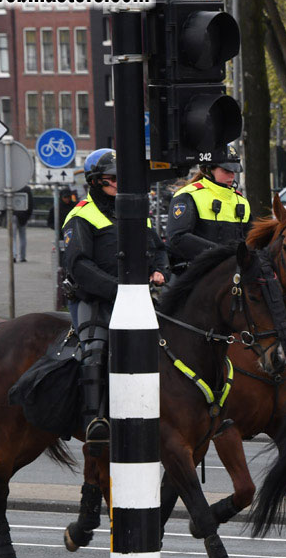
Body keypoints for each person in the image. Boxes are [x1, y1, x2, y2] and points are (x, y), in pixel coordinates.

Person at [61, 148, 168, 446]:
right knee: (95, 349)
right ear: (95, 181)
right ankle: (94, 420)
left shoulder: (135, 212)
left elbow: (158, 249)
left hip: (138, 299)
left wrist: (161, 271)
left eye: (122, 177)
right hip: (94, 300)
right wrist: (119, 290)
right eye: (112, 178)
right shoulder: (81, 215)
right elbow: (80, 266)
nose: (119, 182)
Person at [166, 145, 251, 274]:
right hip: (195, 274)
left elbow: (251, 240)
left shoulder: (241, 201)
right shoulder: (188, 195)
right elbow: (177, 239)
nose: (232, 176)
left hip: (233, 274)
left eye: (234, 171)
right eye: (226, 171)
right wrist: (221, 254)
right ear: (209, 169)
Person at [12, 186, 33, 263]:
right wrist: (28, 216)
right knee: (23, 237)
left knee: (12, 237)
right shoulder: (27, 189)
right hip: (23, 215)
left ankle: (13, 255)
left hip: (13, 214)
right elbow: (30, 204)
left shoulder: (12, 187)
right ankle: (22, 256)